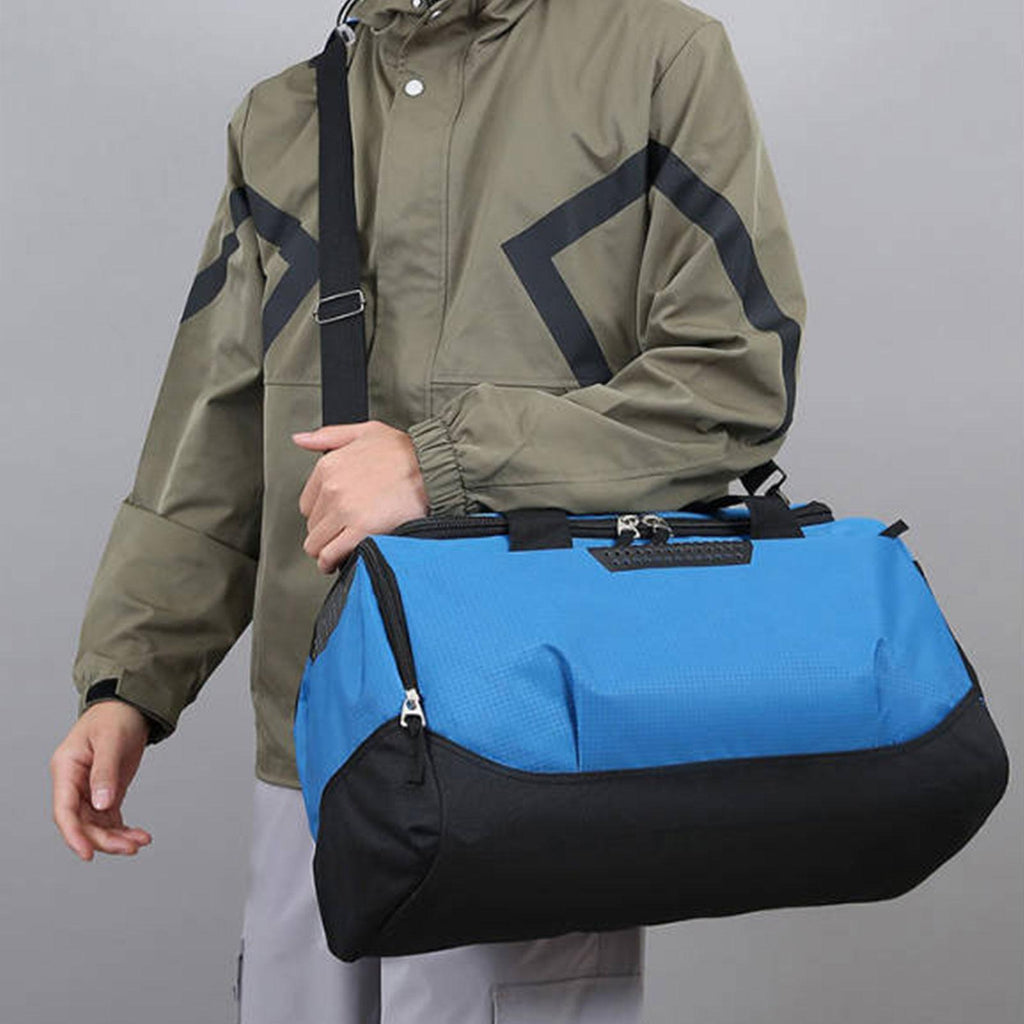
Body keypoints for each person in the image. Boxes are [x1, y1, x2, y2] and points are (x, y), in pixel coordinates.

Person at [50, 0, 807, 1020]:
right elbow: (212, 440)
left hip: (531, 730)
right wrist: (127, 681)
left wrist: (441, 463)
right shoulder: (279, 119)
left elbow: (734, 380)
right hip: (316, 739)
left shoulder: (654, 57)